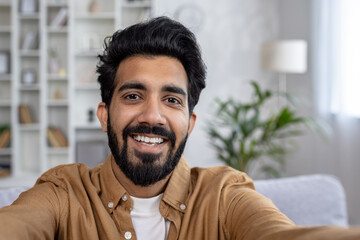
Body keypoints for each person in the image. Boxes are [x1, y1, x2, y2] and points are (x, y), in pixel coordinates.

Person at [0, 16, 359, 240]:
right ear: (104, 114)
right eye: (133, 95)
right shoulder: (63, 193)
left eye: (172, 100)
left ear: (189, 123)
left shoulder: (224, 196)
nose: (152, 116)